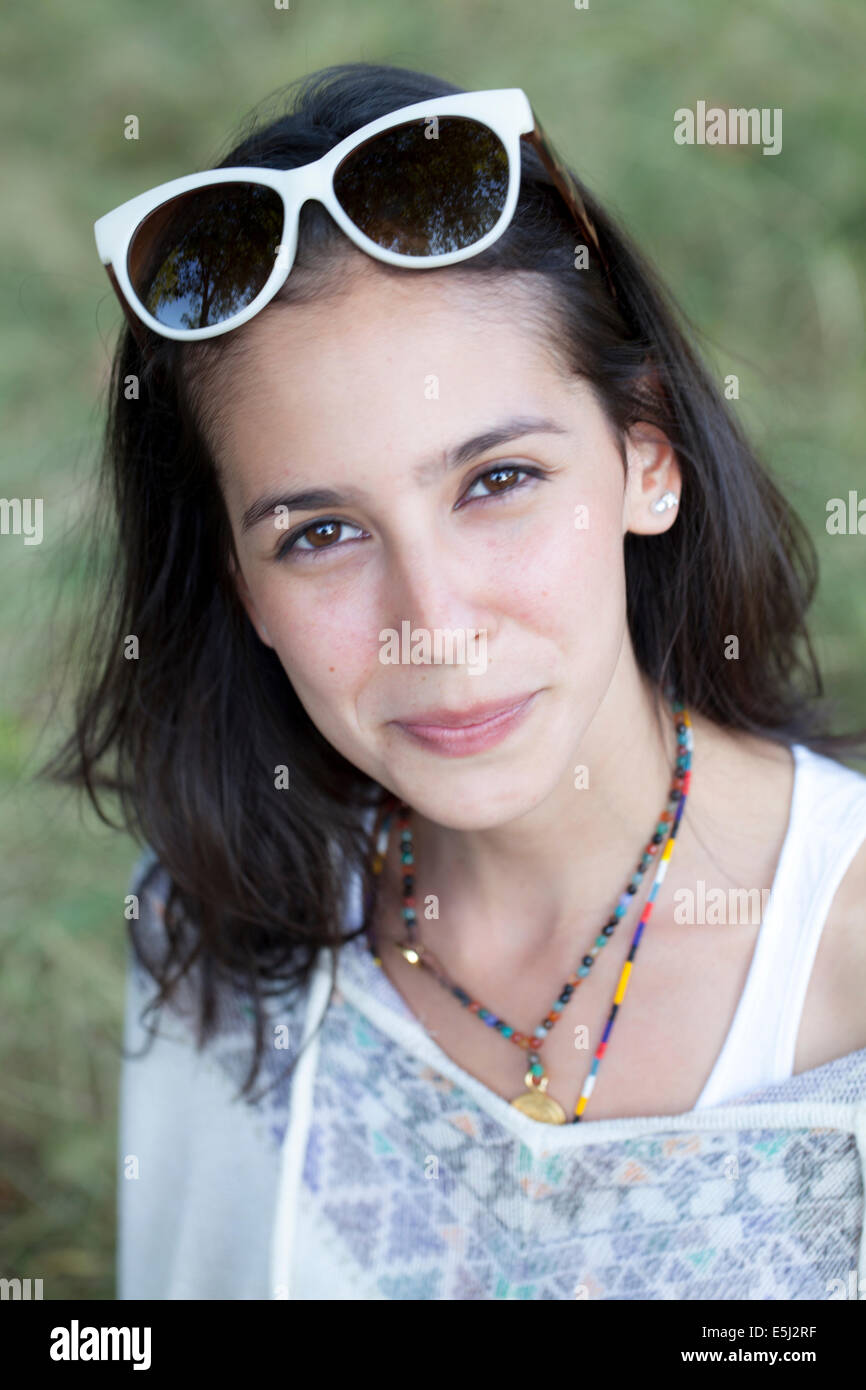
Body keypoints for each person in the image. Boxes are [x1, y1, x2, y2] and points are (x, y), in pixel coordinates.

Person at [45, 61, 866, 1300]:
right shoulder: (215, 922)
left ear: (645, 459)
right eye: (319, 533)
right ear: (240, 585)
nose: (431, 629)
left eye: (495, 482)